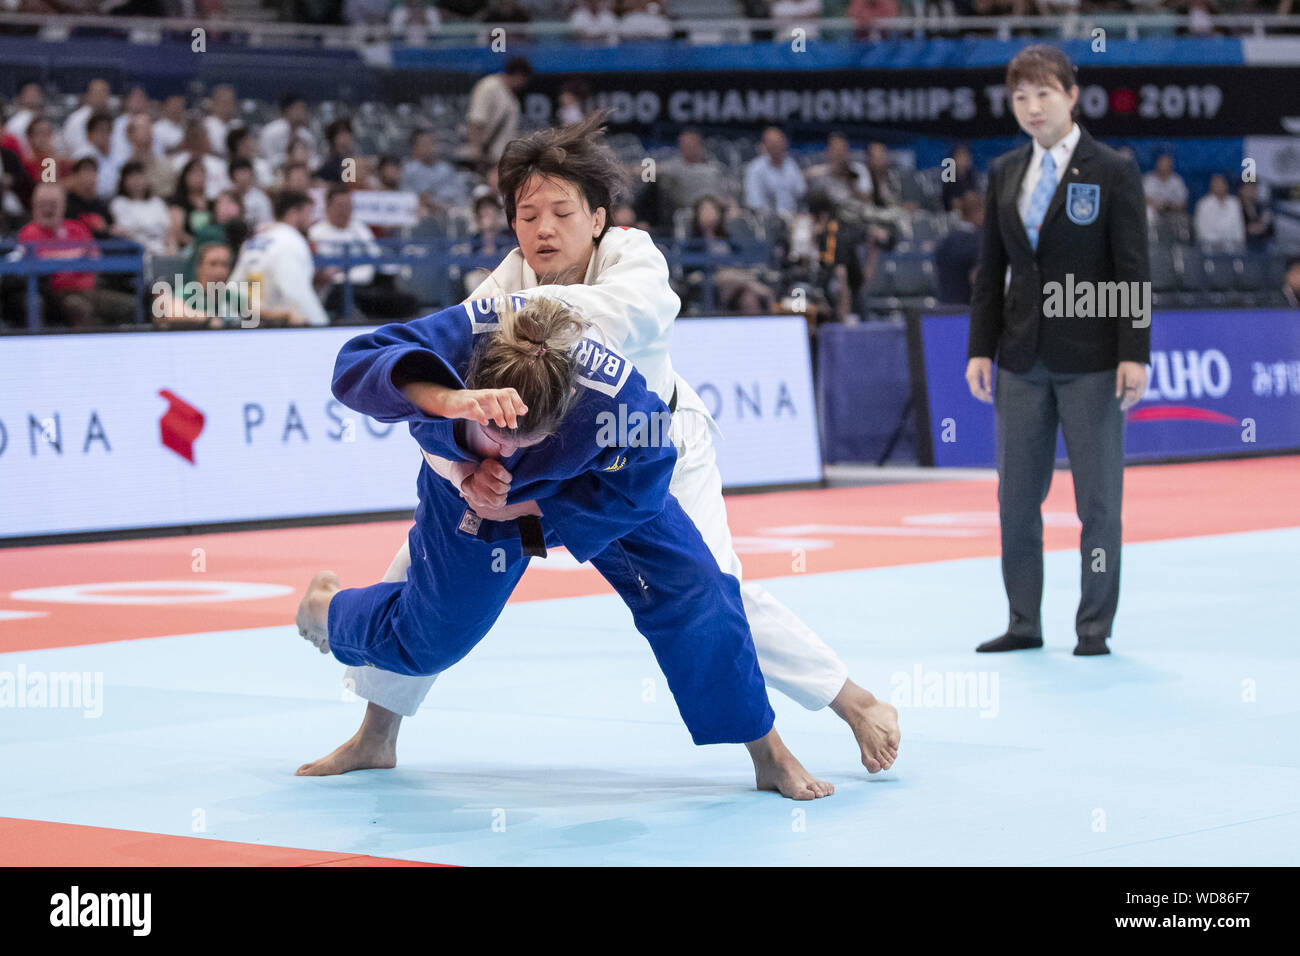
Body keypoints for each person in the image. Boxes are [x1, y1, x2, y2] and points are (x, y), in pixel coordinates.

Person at [296, 112, 900, 779]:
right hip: (510, 469)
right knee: (426, 589)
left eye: (561, 211)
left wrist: (522, 328)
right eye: (527, 216)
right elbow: (418, 396)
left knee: (708, 590)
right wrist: (466, 466)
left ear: (599, 219)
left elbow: (630, 315)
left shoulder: (633, 261)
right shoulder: (496, 294)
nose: (543, 229)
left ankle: (804, 730)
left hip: (636, 455)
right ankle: (374, 731)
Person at [297, 294, 832, 799]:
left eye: (519, 442)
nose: (503, 450)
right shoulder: (466, 335)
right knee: (433, 638)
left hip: (588, 490)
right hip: (468, 495)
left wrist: (533, 509)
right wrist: (450, 406)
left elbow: (647, 476)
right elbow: (356, 362)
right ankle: (328, 611)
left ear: (564, 415)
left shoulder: (613, 397)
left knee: (699, 588)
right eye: (495, 433)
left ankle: (769, 751)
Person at [966, 44, 1151, 657]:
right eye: (1020, 96)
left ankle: (1093, 626)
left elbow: (1133, 270)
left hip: (1094, 360)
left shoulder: (1113, 169)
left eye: (1043, 92)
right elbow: (990, 272)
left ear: (1072, 95)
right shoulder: (1005, 173)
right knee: (1015, 499)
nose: (1031, 106)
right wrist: (979, 349)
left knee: (1098, 502)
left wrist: (1135, 351)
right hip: (1020, 359)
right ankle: (1024, 621)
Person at [18, 182, 137, 327]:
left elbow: (95, 256)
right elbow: (40, 260)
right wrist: (77, 256)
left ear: (63, 205)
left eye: (53, 204)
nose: (47, 209)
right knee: (78, 307)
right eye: (42, 204)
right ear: (34, 206)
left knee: (131, 306)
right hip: (58, 294)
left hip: (91, 290)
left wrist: (62, 258)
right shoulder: (29, 232)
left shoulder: (77, 228)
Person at [309, 183, 417, 320]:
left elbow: (375, 255)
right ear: (328, 207)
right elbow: (322, 270)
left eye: (348, 206)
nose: (344, 211)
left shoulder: (359, 228)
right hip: (340, 287)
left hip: (368, 284)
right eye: (340, 206)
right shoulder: (316, 233)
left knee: (408, 301)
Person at [228, 189, 331, 327]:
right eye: (308, 213)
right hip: (274, 321)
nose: (310, 220)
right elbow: (295, 290)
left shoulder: (256, 238)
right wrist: (320, 322)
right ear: (293, 213)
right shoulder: (291, 240)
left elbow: (233, 287)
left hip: (240, 317)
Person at [463, 57, 531, 173]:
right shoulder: (490, 87)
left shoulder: (511, 97)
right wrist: (477, 150)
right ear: (518, 75)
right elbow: (476, 119)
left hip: (501, 158)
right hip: (486, 156)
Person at [110, 159, 175, 256]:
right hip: (135, 253)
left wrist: (171, 248)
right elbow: (123, 232)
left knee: (178, 266)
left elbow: (168, 231)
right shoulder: (119, 203)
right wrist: (146, 247)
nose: (136, 181)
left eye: (140, 177)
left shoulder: (157, 203)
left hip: (162, 249)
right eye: (132, 177)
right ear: (124, 181)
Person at [933, 189, 983, 305]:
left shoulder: (944, 241)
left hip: (944, 310)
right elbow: (977, 279)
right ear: (980, 213)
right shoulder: (978, 241)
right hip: (967, 312)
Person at [743, 126, 805, 218]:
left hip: (793, 218)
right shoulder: (755, 169)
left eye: (780, 142)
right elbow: (754, 203)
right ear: (765, 146)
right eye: (772, 143)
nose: (777, 146)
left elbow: (801, 193)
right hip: (767, 221)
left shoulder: (791, 165)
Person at [1194, 173, 1246, 253]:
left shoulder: (1235, 203)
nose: (1219, 186)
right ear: (1211, 186)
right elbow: (1203, 233)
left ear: (1226, 185)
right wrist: (1222, 245)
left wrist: (1236, 246)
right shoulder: (1203, 205)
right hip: (1211, 250)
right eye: (1216, 184)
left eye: (1222, 183)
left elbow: (1239, 229)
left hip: (1233, 249)